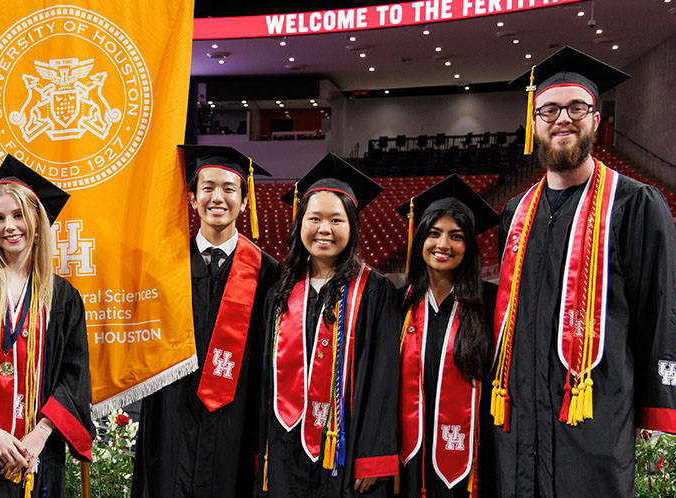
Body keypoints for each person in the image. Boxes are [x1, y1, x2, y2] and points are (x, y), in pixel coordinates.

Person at [489, 47, 676, 497]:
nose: (563, 119)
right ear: (534, 123)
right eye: (550, 109)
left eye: (577, 107)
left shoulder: (635, 204)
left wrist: (656, 409)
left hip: (594, 414)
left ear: (597, 119)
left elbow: (660, 312)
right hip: (519, 418)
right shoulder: (515, 213)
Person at [131, 145, 281, 498]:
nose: (218, 197)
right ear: (192, 197)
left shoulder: (268, 273)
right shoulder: (167, 266)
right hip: (170, 411)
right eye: (208, 187)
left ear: (245, 201)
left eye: (229, 189)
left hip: (235, 416)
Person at [0, 155, 93, 498]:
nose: (10, 226)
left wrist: (40, 434)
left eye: (18, 215)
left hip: (37, 453)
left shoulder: (63, 295)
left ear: (37, 221)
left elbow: (74, 372)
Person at [258, 153, 401, 497]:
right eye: (315, 218)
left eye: (336, 220)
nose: (325, 229)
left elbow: (383, 379)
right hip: (284, 447)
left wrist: (372, 455)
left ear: (352, 228)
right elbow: (266, 377)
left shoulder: (375, 291)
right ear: (300, 224)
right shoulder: (280, 292)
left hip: (346, 449)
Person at [393, 175, 499, 498]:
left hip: (473, 461)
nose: (443, 245)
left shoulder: (491, 305)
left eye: (456, 236)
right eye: (434, 234)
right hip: (407, 460)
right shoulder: (398, 304)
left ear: (469, 245)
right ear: (420, 238)